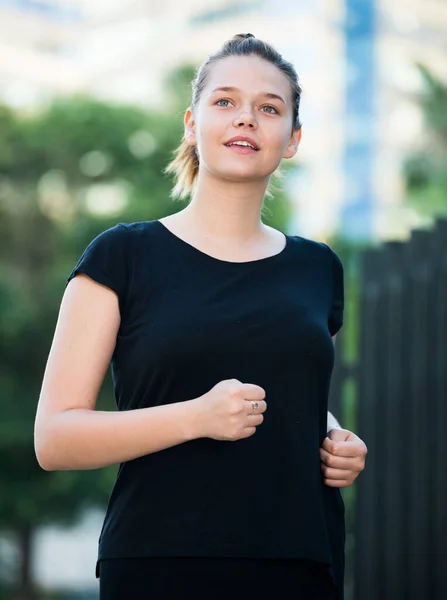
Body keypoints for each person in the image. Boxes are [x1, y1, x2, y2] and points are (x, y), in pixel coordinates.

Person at [34, 33, 367, 600]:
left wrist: (335, 435)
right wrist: (196, 417)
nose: (247, 119)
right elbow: (55, 439)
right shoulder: (123, 256)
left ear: (293, 139)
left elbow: (295, 392)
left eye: (269, 108)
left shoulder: (319, 268)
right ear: (192, 123)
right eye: (225, 102)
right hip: (161, 563)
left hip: (301, 562)